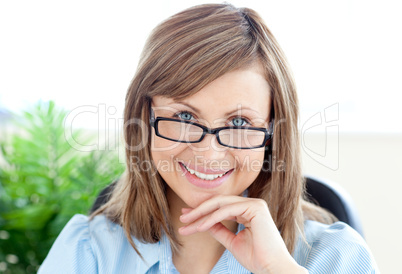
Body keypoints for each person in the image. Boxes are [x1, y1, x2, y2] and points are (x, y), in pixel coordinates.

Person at [38, 3, 379, 273]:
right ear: (144, 116)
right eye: (185, 117)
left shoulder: (337, 259)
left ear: (273, 132)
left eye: (241, 122)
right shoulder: (88, 252)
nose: (209, 152)